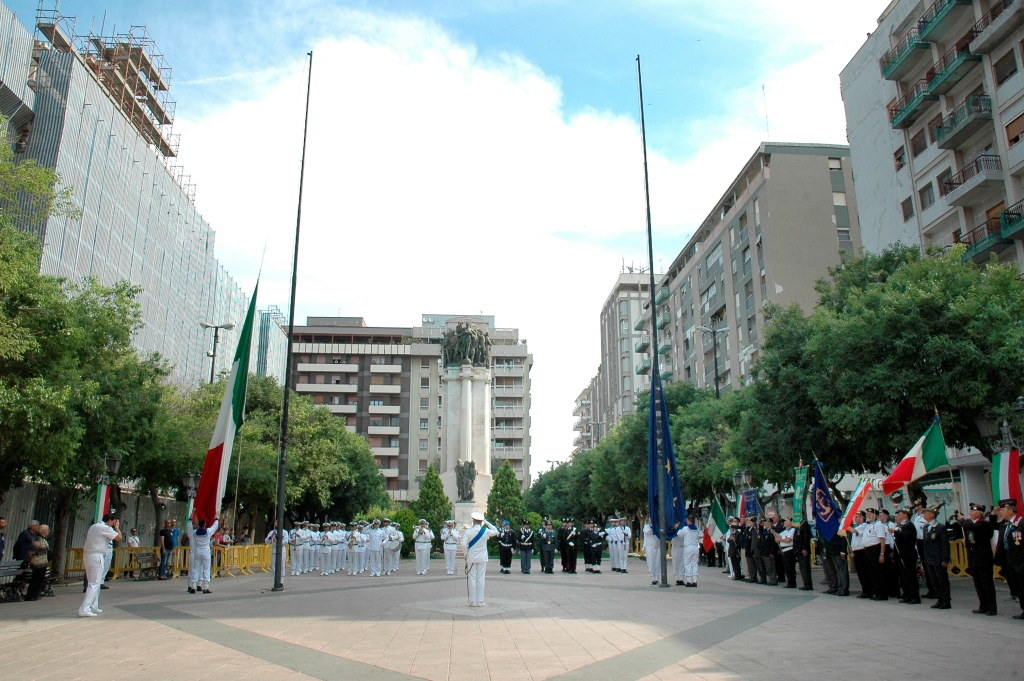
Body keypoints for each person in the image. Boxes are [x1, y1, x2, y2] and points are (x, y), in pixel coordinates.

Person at [957, 503, 997, 616]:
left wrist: (962, 520)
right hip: (973, 558)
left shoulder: (983, 524)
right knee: (978, 584)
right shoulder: (972, 523)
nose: (971, 514)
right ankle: (983, 605)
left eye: (973, 512)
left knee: (986, 584)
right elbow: (968, 532)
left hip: (983, 559)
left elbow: (971, 528)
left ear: (979, 513)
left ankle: (991, 607)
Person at [79, 513, 120, 617]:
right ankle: (84, 607)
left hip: (88, 555)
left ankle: (94, 605)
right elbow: (119, 537)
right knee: (94, 583)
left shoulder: (94, 526)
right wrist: (117, 528)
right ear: (111, 520)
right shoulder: (105, 528)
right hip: (97, 556)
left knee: (93, 582)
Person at [461, 512, 498, 607]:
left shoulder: (468, 532)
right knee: (481, 578)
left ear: (473, 521)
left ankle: (472, 601)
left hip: (472, 557)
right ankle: (480, 601)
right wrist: (486, 521)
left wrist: (466, 554)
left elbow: (463, 544)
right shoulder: (485, 531)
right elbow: (496, 531)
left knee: (472, 578)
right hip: (482, 557)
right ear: (481, 522)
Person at [996, 498, 1024, 619]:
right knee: (1019, 588)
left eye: (1003, 509)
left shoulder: (1021, 523)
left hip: (1021, 562)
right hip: (1011, 562)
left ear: (1011, 511)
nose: (1001, 512)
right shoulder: (1006, 525)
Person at [921, 505, 951, 609]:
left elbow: (945, 545)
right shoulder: (925, 527)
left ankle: (946, 601)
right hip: (929, 558)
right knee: (934, 580)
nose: (924, 514)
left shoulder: (940, 527)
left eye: (926, 513)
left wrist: (945, 559)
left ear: (932, 515)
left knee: (942, 580)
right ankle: (940, 599)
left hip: (938, 558)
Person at [892, 507, 920, 604]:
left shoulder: (909, 525)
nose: (898, 514)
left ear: (906, 514)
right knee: (903, 576)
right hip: (900, 554)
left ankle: (914, 596)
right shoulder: (901, 525)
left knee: (910, 575)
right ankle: (907, 594)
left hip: (907, 554)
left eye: (901, 513)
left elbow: (907, 538)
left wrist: (895, 532)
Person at [188, 514, 219, 594]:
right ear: (205, 524)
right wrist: (216, 518)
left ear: (198, 525)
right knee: (206, 569)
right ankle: (206, 587)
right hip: (205, 550)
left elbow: (189, 526)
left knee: (196, 569)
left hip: (197, 550)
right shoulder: (208, 531)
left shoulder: (195, 533)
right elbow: (215, 526)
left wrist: (191, 517)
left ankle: (193, 586)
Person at [25, 524, 50, 601]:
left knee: (40, 580)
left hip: (43, 563)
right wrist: (31, 560)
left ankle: (35, 594)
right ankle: (30, 595)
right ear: (43, 531)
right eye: (47, 530)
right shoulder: (38, 540)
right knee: (35, 579)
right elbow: (31, 552)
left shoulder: (44, 540)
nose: (48, 531)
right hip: (37, 563)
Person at [674, 516, 700, 587]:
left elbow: (679, 534)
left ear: (689, 521)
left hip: (688, 547)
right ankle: (694, 581)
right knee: (694, 564)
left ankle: (689, 580)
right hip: (695, 547)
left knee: (687, 564)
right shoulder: (697, 528)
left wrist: (679, 528)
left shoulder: (686, 528)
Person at [775, 518, 797, 588]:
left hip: (789, 550)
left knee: (790, 567)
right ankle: (789, 582)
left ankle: (792, 583)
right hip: (784, 551)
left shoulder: (792, 530)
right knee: (787, 568)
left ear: (789, 523)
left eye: (786, 522)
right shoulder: (785, 531)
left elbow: (788, 540)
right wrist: (774, 533)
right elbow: (779, 535)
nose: (784, 523)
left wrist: (780, 540)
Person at [828, 530, 850, 596]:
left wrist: (843, 551)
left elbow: (844, 538)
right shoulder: (830, 526)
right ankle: (840, 589)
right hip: (833, 551)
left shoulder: (839, 527)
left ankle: (844, 589)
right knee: (838, 571)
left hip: (839, 551)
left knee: (842, 571)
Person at [794, 518, 813, 590]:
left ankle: (808, 584)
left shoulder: (805, 524)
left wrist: (805, 548)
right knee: (802, 568)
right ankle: (806, 583)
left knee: (805, 568)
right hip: (798, 550)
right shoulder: (798, 525)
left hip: (803, 550)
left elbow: (806, 538)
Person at [643, 517, 661, 585]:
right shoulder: (647, 526)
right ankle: (652, 579)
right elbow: (647, 532)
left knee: (657, 563)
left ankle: (657, 578)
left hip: (657, 547)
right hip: (650, 547)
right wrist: (653, 527)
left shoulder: (658, 526)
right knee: (651, 563)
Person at [743, 517, 761, 583]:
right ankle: (752, 576)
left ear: (752, 523)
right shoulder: (747, 529)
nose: (747, 524)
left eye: (748, 522)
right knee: (749, 564)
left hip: (752, 549)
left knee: (753, 564)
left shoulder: (754, 530)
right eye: (747, 522)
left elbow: (754, 540)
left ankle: (754, 577)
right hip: (748, 548)